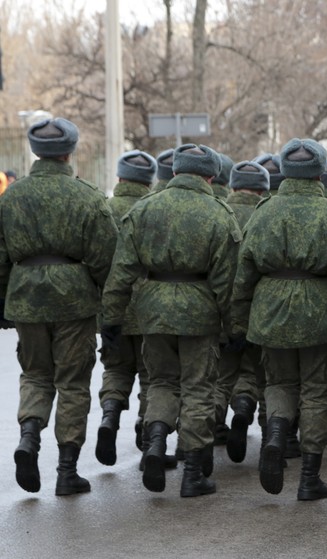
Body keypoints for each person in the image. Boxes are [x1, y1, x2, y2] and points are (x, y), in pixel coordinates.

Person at [102, 143, 241, 498]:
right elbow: (226, 283)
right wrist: (233, 328)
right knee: (198, 387)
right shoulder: (218, 214)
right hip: (199, 311)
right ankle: (192, 473)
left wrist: (112, 319)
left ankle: (155, 443)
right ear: (211, 176)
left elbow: (121, 273)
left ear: (174, 171)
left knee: (162, 382)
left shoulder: (145, 209)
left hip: (153, 309)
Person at [232, 139, 327, 499]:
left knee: (278, 382)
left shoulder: (263, 212)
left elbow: (245, 272)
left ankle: (275, 434)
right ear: (320, 172)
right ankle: (309, 478)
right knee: (317, 392)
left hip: (270, 310)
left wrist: (239, 322)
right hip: (319, 311)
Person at [1, 117, 117, 495]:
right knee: (72, 381)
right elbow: (105, 258)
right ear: (70, 151)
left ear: (36, 151)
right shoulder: (88, 196)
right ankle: (67, 471)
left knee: (35, 374)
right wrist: (102, 300)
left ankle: (29, 438)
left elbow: (0, 257)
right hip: (73, 299)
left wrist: (4, 302)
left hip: (25, 294)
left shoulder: (11, 198)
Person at [96, 150, 178, 470]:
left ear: (119, 178)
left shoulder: (104, 207)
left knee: (115, 370)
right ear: (150, 179)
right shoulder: (156, 209)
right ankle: (148, 446)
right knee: (152, 377)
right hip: (150, 306)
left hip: (113, 304)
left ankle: (109, 416)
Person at [217, 161, 271, 463]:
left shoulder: (218, 212)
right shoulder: (267, 215)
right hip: (259, 310)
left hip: (219, 310)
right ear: (263, 190)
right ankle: (247, 412)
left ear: (233, 186)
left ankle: (197, 441)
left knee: (219, 377)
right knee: (258, 374)